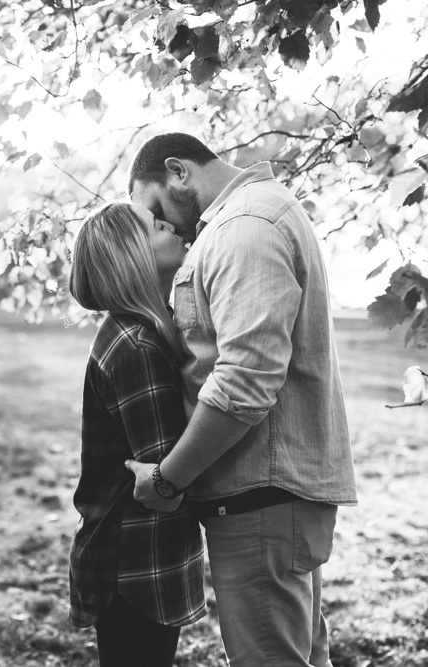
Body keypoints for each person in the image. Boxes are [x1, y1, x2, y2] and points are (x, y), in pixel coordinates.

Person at [124, 132, 358, 667]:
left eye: (154, 209)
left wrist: (167, 479)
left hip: (260, 498)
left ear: (178, 172)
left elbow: (243, 384)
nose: (161, 227)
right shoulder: (254, 217)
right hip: (270, 498)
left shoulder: (243, 229)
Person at [67, 200, 206, 667]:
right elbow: (167, 470)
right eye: (154, 225)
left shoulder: (146, 332)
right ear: (132, 257)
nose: (170, 223)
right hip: (132, 562)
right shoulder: (136, 345)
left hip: (142, 556)